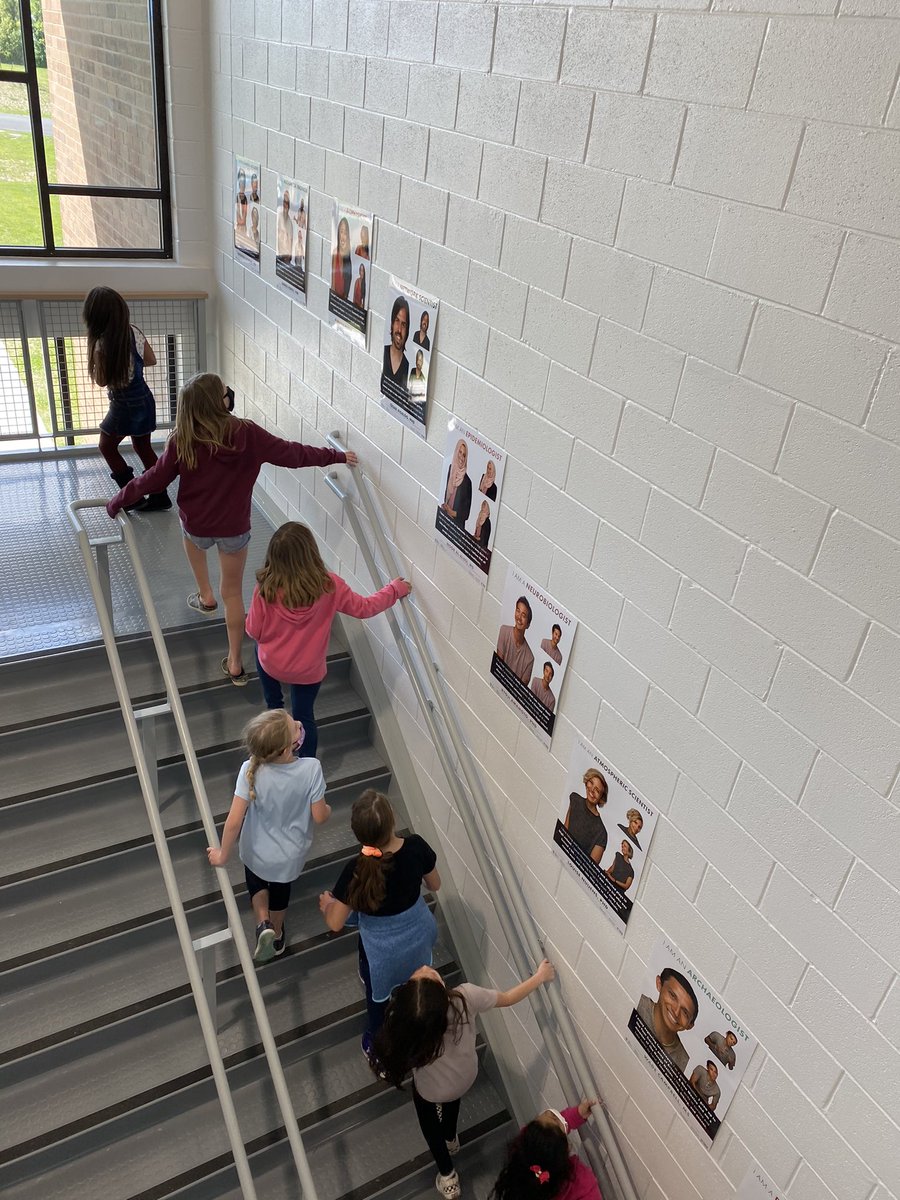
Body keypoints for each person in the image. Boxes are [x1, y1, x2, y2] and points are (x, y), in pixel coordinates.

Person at [106, 372, 357, 683]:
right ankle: (235, 661)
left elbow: (151, 480)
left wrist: (118, 499)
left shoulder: (182, 440)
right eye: (224, 390)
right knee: (234, 594)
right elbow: (293, 454)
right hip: (234, 528)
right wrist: (334, 456)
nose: (229, 393)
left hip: (196, 524)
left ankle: (205, 595)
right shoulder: (248, 434)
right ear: (218, 402)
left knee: (192, 540)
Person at [374, 958, 557, 1200]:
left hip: (432, 1090)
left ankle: (448, 1175)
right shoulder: (465, 997)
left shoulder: (410, 1023)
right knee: (452, 1100)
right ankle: (451, 1138)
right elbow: (508, 998)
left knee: (430, 1126)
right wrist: (539, 977)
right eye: (425, 975)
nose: (425, 967)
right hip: (465, 1077)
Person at [246, 522, 411, 758]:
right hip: (307, 672)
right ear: (311, 552)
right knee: (304, 718)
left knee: (273, 703)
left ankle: (274, 738)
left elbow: (253, 631)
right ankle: (307, 769)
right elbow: (365, 608)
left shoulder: (266, 588)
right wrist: (396, 589)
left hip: (272, 665)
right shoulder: (329, 586)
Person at [319, 790, 441, 1064]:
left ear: (358, 835)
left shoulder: (357, 870)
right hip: (419, 939)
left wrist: (328, 904)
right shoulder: (417, 846)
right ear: (393, 819)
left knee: (378, 1002)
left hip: (382, 956)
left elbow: (336, 923)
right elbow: (435, 885)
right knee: (416, 991)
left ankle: (376, 1047)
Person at [206, 710, 331, 963]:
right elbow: (319, 816)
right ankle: (277, 933)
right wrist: (328, 809)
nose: (299, 723)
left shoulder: (249, 770)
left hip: (255, 850)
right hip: (289, 857)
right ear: (286, 749)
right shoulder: (311, 769)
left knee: (256, 883)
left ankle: (263, 923)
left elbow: (233, 822)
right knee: (281, 890)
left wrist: (222, 854)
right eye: (295, 727)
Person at [83, 286, 171, 512]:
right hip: (144, 398)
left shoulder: (101, 344)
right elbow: (151, 360)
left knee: (107, 446)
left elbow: (102, 381)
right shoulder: (133, 332)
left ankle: (131, 497)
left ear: (95, 317)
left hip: (123, 404)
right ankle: (160, 495)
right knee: (143, 446)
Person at [489, 1099, 603, 1200]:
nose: (550, 1113)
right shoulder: (581, 1181)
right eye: (557, 1120)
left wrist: (576, 1115)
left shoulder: (521, 1157)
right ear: (566, 1148)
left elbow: (548, 1137)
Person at [635, 968, 698, 1073]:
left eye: (685, 1013)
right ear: (659, 984)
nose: (676, 1012)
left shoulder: (683, 1059)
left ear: (690, 1025)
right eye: (673, 996)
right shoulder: (637, 1002)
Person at [563, 768, 607, 863]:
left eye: (597, 790)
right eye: (591, 783)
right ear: (586, 782)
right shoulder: (574, 799)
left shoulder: (601, 832)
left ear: (601, 798)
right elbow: (564, 831)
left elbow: (590, 868)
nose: (592, 790)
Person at [496, 595, 534, 685]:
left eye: (524, 615)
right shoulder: (504, 631)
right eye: (518, 611)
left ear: (528, 625)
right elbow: (498, 668)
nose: (519, 617)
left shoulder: (530, 658)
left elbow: (520, 688)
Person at [440, 438, 472, 530]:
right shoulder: (451, 469)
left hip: (456, 528)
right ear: (456, 451)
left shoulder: (467, 482)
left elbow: (466, 515)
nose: (462, 457)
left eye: (464, 455)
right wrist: (445, 506)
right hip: (445, 518)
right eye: (460, 452)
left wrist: (451, 512)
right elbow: (447, 493)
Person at [382, 295, 410, 389]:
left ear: (407, 330)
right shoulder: (383, 352)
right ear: (392, 324)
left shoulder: (407, 366)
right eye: (397, 320)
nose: (399, 329)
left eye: (403, 324)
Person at [331, 215, 352, 299]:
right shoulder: (335, 252)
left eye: (345, 233)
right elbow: (332, 284)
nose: (343, 236)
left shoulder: (348, 257)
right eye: (341, 231)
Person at [276, 189, 293, 260]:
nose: (285, 205)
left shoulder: (290, 223)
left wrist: (288, 256)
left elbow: (290, 241)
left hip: (286, 257)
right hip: (279, 254)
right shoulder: (279, 217)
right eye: (284, 202)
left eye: (287, 203)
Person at [293, 198, 307, 270]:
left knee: (300, 247)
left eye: (302, 203)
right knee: (297, 247)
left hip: (302, 228)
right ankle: (296, 264)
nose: (301, 204)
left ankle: (300, 265)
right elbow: (298, 219)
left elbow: (304, 221)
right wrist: (296, 219)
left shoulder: (304, 212)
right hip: (299, 228)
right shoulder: (299, 211)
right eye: (301, 203)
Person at [234, 169, 248, 237]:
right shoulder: (237, 197)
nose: (242, 185)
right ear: (239, 184)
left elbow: (244, 216)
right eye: (241, 183)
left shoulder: (245, 198)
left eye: (244, 183)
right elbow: (240, 220)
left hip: (243, 228)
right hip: (239, 228)